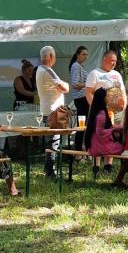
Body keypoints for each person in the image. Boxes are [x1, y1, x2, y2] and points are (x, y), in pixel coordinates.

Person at [85, 50, 127, 172]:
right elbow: (88, 92)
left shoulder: (117, 74)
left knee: (113, 135)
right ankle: (96, 165)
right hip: (101, 112)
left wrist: (123, 104)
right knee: (97, 135)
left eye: (115, 61)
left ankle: (108, 165)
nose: (114, 63)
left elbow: (123, 91)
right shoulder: (95, 73)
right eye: (111, 60)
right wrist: (95, 108)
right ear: (104, 60)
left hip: (117, 111)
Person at [35, 46, 69, 177]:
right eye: (54, 56)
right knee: (53, 142)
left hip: (48, 110)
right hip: (53, 112)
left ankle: (48, 169)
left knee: (52, 141)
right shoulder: (48, 70)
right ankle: (50, 171)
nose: (54, 58)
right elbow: (64, 88)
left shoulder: (40, 69)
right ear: (50, 56)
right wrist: (64, 83)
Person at [83, 88, 125, 173]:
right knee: (124, 148)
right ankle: (111, 170)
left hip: (94, 146)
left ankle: (102, 169)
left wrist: (113, 127)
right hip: (99, 147)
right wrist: (115, 129)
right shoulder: (102, 114)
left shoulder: (94, 111)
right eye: (108, 96)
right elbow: (100, 133)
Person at [69, 46, 89, 152]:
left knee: (83, 123)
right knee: (81, 123)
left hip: (83, 98)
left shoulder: (80, 66)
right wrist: (89, 84)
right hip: (81, 99)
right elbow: (75, 84)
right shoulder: (76, 66)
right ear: (77, 54)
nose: (85, 57)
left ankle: (81, 147)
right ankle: (78, 150)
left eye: (86, 55)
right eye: (83, 54)